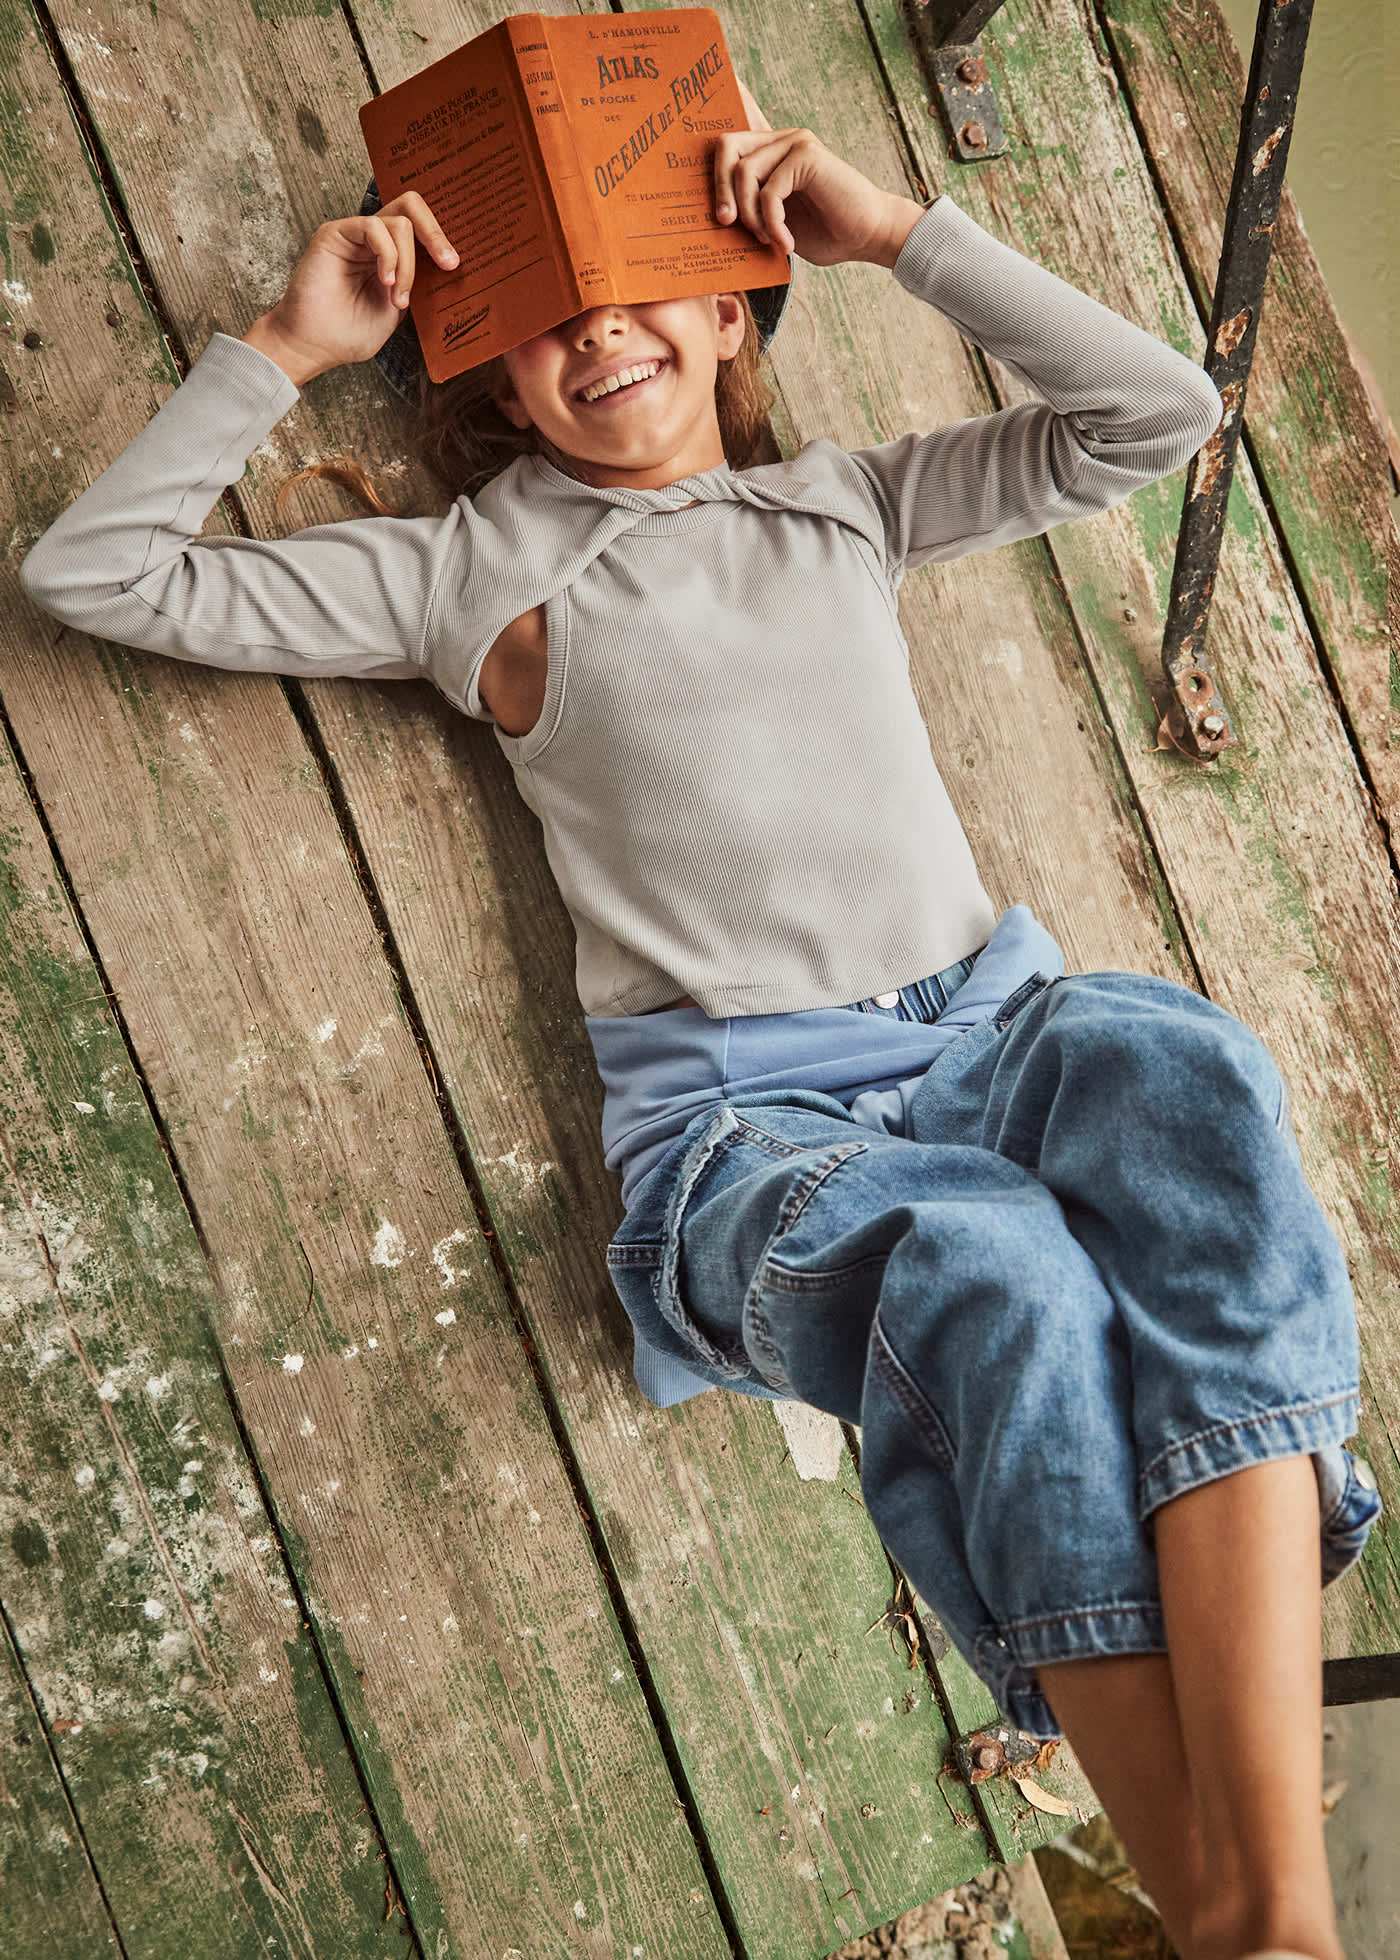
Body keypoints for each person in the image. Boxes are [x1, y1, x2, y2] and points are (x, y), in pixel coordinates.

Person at [20, 78, 1378, 1960]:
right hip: (757, 1138)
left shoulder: (843, 503)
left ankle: (1268, 1911)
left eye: (649, 282)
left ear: (735, 304)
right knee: (1005, 1283)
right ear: (489, 377)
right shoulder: (466, 575)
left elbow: (1159, 411)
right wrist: (282, 345)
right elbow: (97, 575)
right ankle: (1248, 1924)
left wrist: (896, 230)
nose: (602, 329)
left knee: (1187, 1072)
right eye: (543, 315)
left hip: (997, 1035)